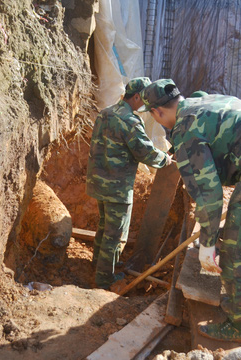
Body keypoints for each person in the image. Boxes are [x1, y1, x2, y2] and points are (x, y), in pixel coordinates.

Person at [139, 79, 241, 343]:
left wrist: (207, 244)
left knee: (235, 248)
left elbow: (210, 194)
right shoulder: (202, 101)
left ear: (157, 112)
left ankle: (240, 323)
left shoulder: (186, 133)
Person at [86, 77, 173, 289]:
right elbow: (144, 151)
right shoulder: (130, 121)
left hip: (99, 182)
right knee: (116, 235)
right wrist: (166, 159)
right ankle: (104, 278)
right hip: (117, 187)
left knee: (105, 225)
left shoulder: (105, 113)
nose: (146, 104)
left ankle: (99, 265)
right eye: (144, 99)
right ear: (135, 97)